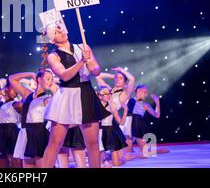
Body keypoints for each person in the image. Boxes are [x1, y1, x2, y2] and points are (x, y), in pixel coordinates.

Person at [41, 24, 109, 168]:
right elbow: (65, 76)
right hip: (67, 95)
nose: (60, 31)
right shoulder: (53, 56)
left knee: (93, 143)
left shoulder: (83, 47)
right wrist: (82, 61)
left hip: (86, 93)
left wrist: (93, 66)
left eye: (60, 28)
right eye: (56, 32)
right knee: (55, 143)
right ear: (52, 39)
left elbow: (96, 70)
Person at [10, 70, 57, 168]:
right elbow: (12, 79)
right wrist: (30, 74)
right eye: (48, 79)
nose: (50, 82)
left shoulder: (47, 98)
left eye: (52, 79)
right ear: (39, 79)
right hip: (26, 134)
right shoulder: (27, 94)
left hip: (40, 134)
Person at [96, 67, 136, 152]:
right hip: (100, 121)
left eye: (121, 78)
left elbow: (132, 79)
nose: (118, 79)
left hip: (110, 123)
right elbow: (98, 76)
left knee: (118, 158)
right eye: (116, 78)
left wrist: (121, 70)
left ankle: (137, 155)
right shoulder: (108, 89)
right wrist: (113, 76)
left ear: (125, 81)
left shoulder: (124, 93)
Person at [0, 80, 22, 168]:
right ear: (7, 89)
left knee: (15, 161)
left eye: (16, 89)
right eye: (13, 89)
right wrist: (1, 92)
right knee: (0, 160)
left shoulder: (17, 104)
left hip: (12, 133)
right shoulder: (0, 104)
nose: (15, 91)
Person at [97, 86, 128, 166]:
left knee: (116, 163)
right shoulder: (95, 105)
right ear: (99, 95)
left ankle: (119, 160)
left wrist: (125, 111)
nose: (108, 95)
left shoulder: (112, 105)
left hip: (109, 131)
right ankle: (105, 160)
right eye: (105, 94)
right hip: (98, 132)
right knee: (99, 160)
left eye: (109, 93)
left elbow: (121, 122)